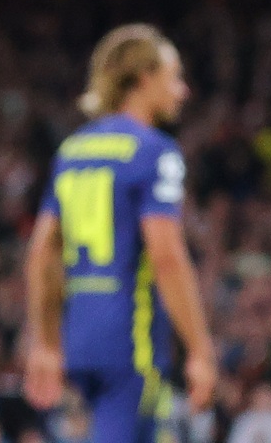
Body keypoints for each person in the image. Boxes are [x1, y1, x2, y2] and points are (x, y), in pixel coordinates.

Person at [22, 24, 217, 443]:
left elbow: (42, 252)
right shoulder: (154, 152)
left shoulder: (73, 151)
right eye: (173, 77)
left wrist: (45, 341)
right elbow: (167, 258)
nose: (181, 91)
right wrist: (200, 350)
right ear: (144, 79)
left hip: (82, 337)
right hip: (131, 343)